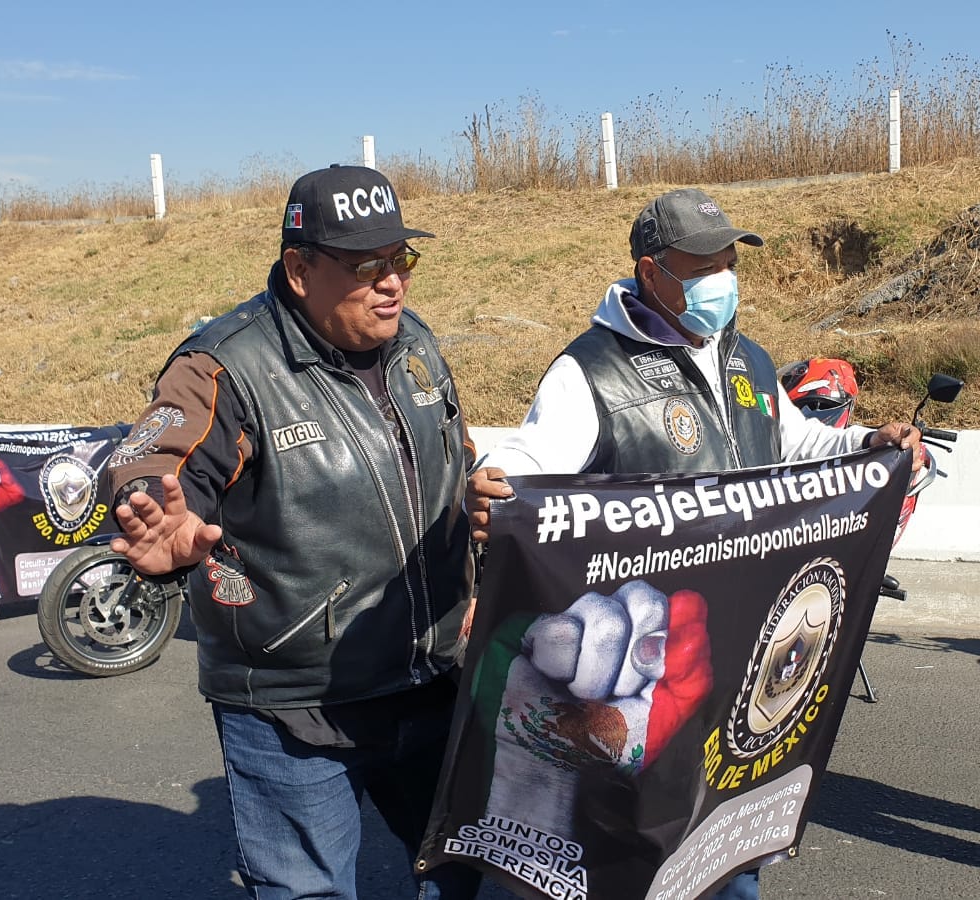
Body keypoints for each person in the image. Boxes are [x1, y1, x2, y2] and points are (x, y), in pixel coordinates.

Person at [465, 187, 925, 900]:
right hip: (643, 658)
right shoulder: (593, 370)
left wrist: (865, 443)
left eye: (730, 259)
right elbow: (531, 458)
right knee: (641, 844)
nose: (724, 276)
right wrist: (494, 486)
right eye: (703, 263)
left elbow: (789, 441)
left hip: (739, 639)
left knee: (730, 834)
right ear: (652, 272)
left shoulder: (744, 359)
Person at [106, 164, 480, 900]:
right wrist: (158, 517)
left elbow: (451, 461)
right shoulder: (227, 364)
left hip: (433, 679)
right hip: (294, 703)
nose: (392, 282)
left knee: (455, 875)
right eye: (367, 265)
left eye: (401, 259)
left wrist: (482, 508)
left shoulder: (417, 346)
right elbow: (152, 456)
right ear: (300, 269)